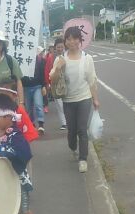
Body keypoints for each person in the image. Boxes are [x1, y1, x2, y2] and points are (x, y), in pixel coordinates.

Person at [49, 27, 100, 173]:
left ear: (80, 40)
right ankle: (72, 147)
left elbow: (92, 80)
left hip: (84, 98)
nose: (72, 41)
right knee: (71, 130)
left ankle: (83, 159)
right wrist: (58, 68)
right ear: (65, 41)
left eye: (75, 38)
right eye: (68, 39)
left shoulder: (87, 58)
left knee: (82, 129)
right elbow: (52, 79)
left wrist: (95, 99)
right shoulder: (60, 59)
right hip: (68, 100)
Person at [0, 78, 39, 143]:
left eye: (6, 95)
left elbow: (29, 135)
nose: (3, 99)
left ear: (15, 96)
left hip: (19, 147)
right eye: (0, 96)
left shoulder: (19, 112)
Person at [22, 46, 47, 135]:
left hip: (37, 86)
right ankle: (32, 124)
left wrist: (44, 86)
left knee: (38, 104)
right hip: (26, 87)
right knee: (28, 108)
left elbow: (42, 73)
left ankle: (41, 124)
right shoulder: (21, 59)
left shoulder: (39, 60)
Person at [45, 37, 68, 130]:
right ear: (55, 48)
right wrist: (48, 83)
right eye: (58, 47)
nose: (60, 49)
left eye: (61, 47)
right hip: (55, 84)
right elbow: (47, 71)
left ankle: (68, 120)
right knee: (59, 104)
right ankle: (64, 123)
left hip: (66, 83)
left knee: (67, 103)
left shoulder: (67, 56)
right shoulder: (51, 58)